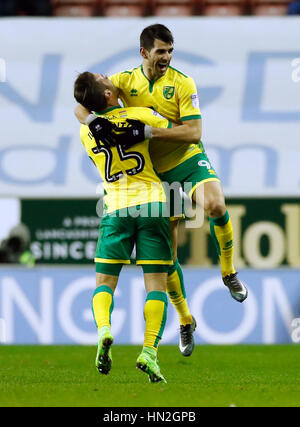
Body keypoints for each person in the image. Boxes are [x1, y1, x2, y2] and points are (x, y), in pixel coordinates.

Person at [75, 24, 248, 357]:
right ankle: (185, 319)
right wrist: (89, 120)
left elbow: (194, 132)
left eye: (170, 51)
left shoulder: (182, 83)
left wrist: (148, 132)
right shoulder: (123, 81)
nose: (166, 57)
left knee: (215, 205)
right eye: (160, 52)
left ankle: (228, 272)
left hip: (185, 157)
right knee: (165, 258)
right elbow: (83, 102)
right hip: (155, 175)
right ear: (144, 53)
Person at [74, 71, 177, 383]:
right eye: (104, 78)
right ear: (107, 94)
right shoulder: (141, 114)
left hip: (116, 206)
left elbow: (87, 119)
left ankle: (104, 328)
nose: (110, 77)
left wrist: (85, 114)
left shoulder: (85, 133)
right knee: (156, 285)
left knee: (104, 283)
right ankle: (148, 352)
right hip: (153, 203)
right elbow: (177, 133)